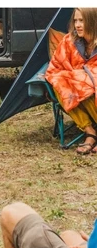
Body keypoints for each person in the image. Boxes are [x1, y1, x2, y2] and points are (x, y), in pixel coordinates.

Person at [45, 8, 97, 156]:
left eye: (82, 20)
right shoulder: (69, 41)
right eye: (75, 21)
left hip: (90, 89)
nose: (78, 25)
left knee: (83, 86)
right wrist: (75, 77)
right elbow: (55, 67)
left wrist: (83, 76)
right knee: (59, 83)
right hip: (74, 89)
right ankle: (90, 131)